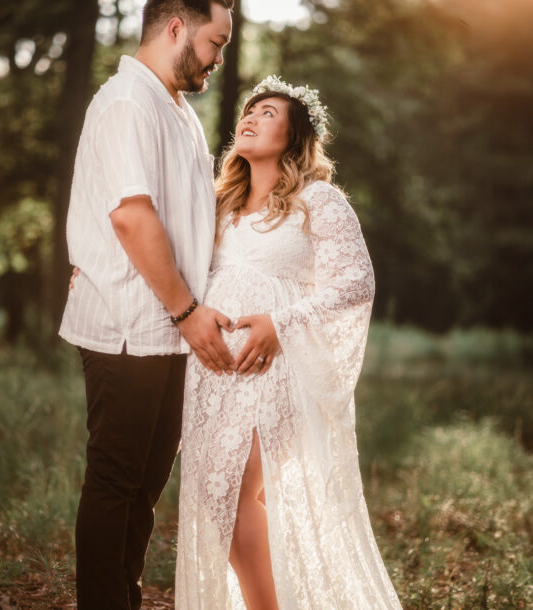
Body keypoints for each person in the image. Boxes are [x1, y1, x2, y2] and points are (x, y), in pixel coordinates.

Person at [175, 76, 403, 609]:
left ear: (295, 135)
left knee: (232, 497)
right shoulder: (218, 204)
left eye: (269, 112)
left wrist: (282, 322)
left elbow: (356, 282)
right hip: (213, 374)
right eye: (249, 110)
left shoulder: (316, 199)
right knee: (217, 500)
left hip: (275, 370)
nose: (251, 116)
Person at [58, 2, 234, 608]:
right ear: (177, 27)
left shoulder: (178, 109)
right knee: (116, 480)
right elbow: (132, 218)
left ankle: (122, 598)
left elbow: (189, 221)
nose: (219, 58)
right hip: (129, 324)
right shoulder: (127, 102)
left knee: (145, 485)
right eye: (215, 42)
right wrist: (189, 313)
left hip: (171, 330)